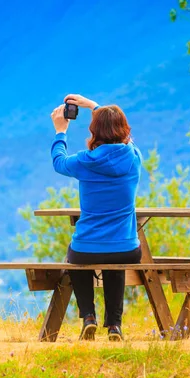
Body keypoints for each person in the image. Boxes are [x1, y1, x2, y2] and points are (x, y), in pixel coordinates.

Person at [50, 94, 142, 342]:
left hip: (86, 249)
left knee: (77, 254)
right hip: (127, 249)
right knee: (116, 257)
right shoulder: (134, 158)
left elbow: (59, 162)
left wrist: (61, 131)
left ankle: (88, 317)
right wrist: (95, 106)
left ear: (94, 132)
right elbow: (122, 135)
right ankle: (114, 325)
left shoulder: (84, 161)